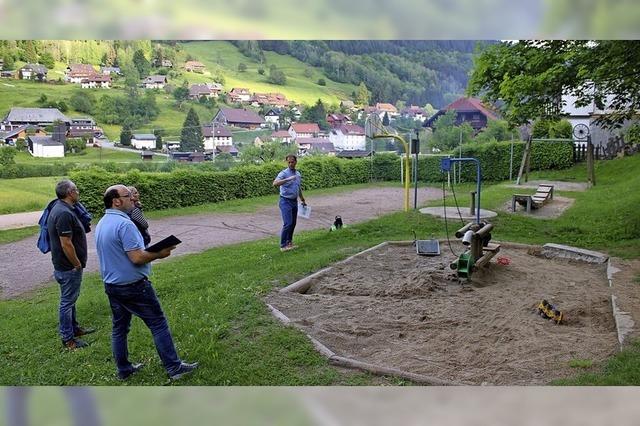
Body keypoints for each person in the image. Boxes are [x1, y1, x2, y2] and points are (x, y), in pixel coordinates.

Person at [95, 184, 198, 381]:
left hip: (112, 285)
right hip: (133, 286)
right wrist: (160, 253)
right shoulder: (125, 224)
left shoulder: (103, 223)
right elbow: (137, 257)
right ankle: (174, 368)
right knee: (158, 323)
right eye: (128, 196)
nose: (133, 199)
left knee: (119, 328)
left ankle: (124, 369)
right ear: (116, 201)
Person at [47, 179, 95, 349]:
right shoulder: (64, 213)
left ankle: (74, 328)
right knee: (67, 302)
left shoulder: (62, 208)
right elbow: (66, 243)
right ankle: (68, 339)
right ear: (69, 193)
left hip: (66, 266)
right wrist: (76, 264)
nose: (78, 192)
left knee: (70, 299)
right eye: (76, 189)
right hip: (68, 267)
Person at [273, 154, 307, 252]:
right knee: (288, 223)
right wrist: (287, 179)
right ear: (287, 162)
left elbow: (298, 188)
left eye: (292, 162)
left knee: (293, 223)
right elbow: (275, 183)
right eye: (289, 162)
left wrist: (303, 199)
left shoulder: (298, 174)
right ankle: (283, 245)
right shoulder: (283, 173)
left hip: (294, 201)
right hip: (285, 201)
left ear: (296, 162)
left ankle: (289, 242)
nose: (290, 164)